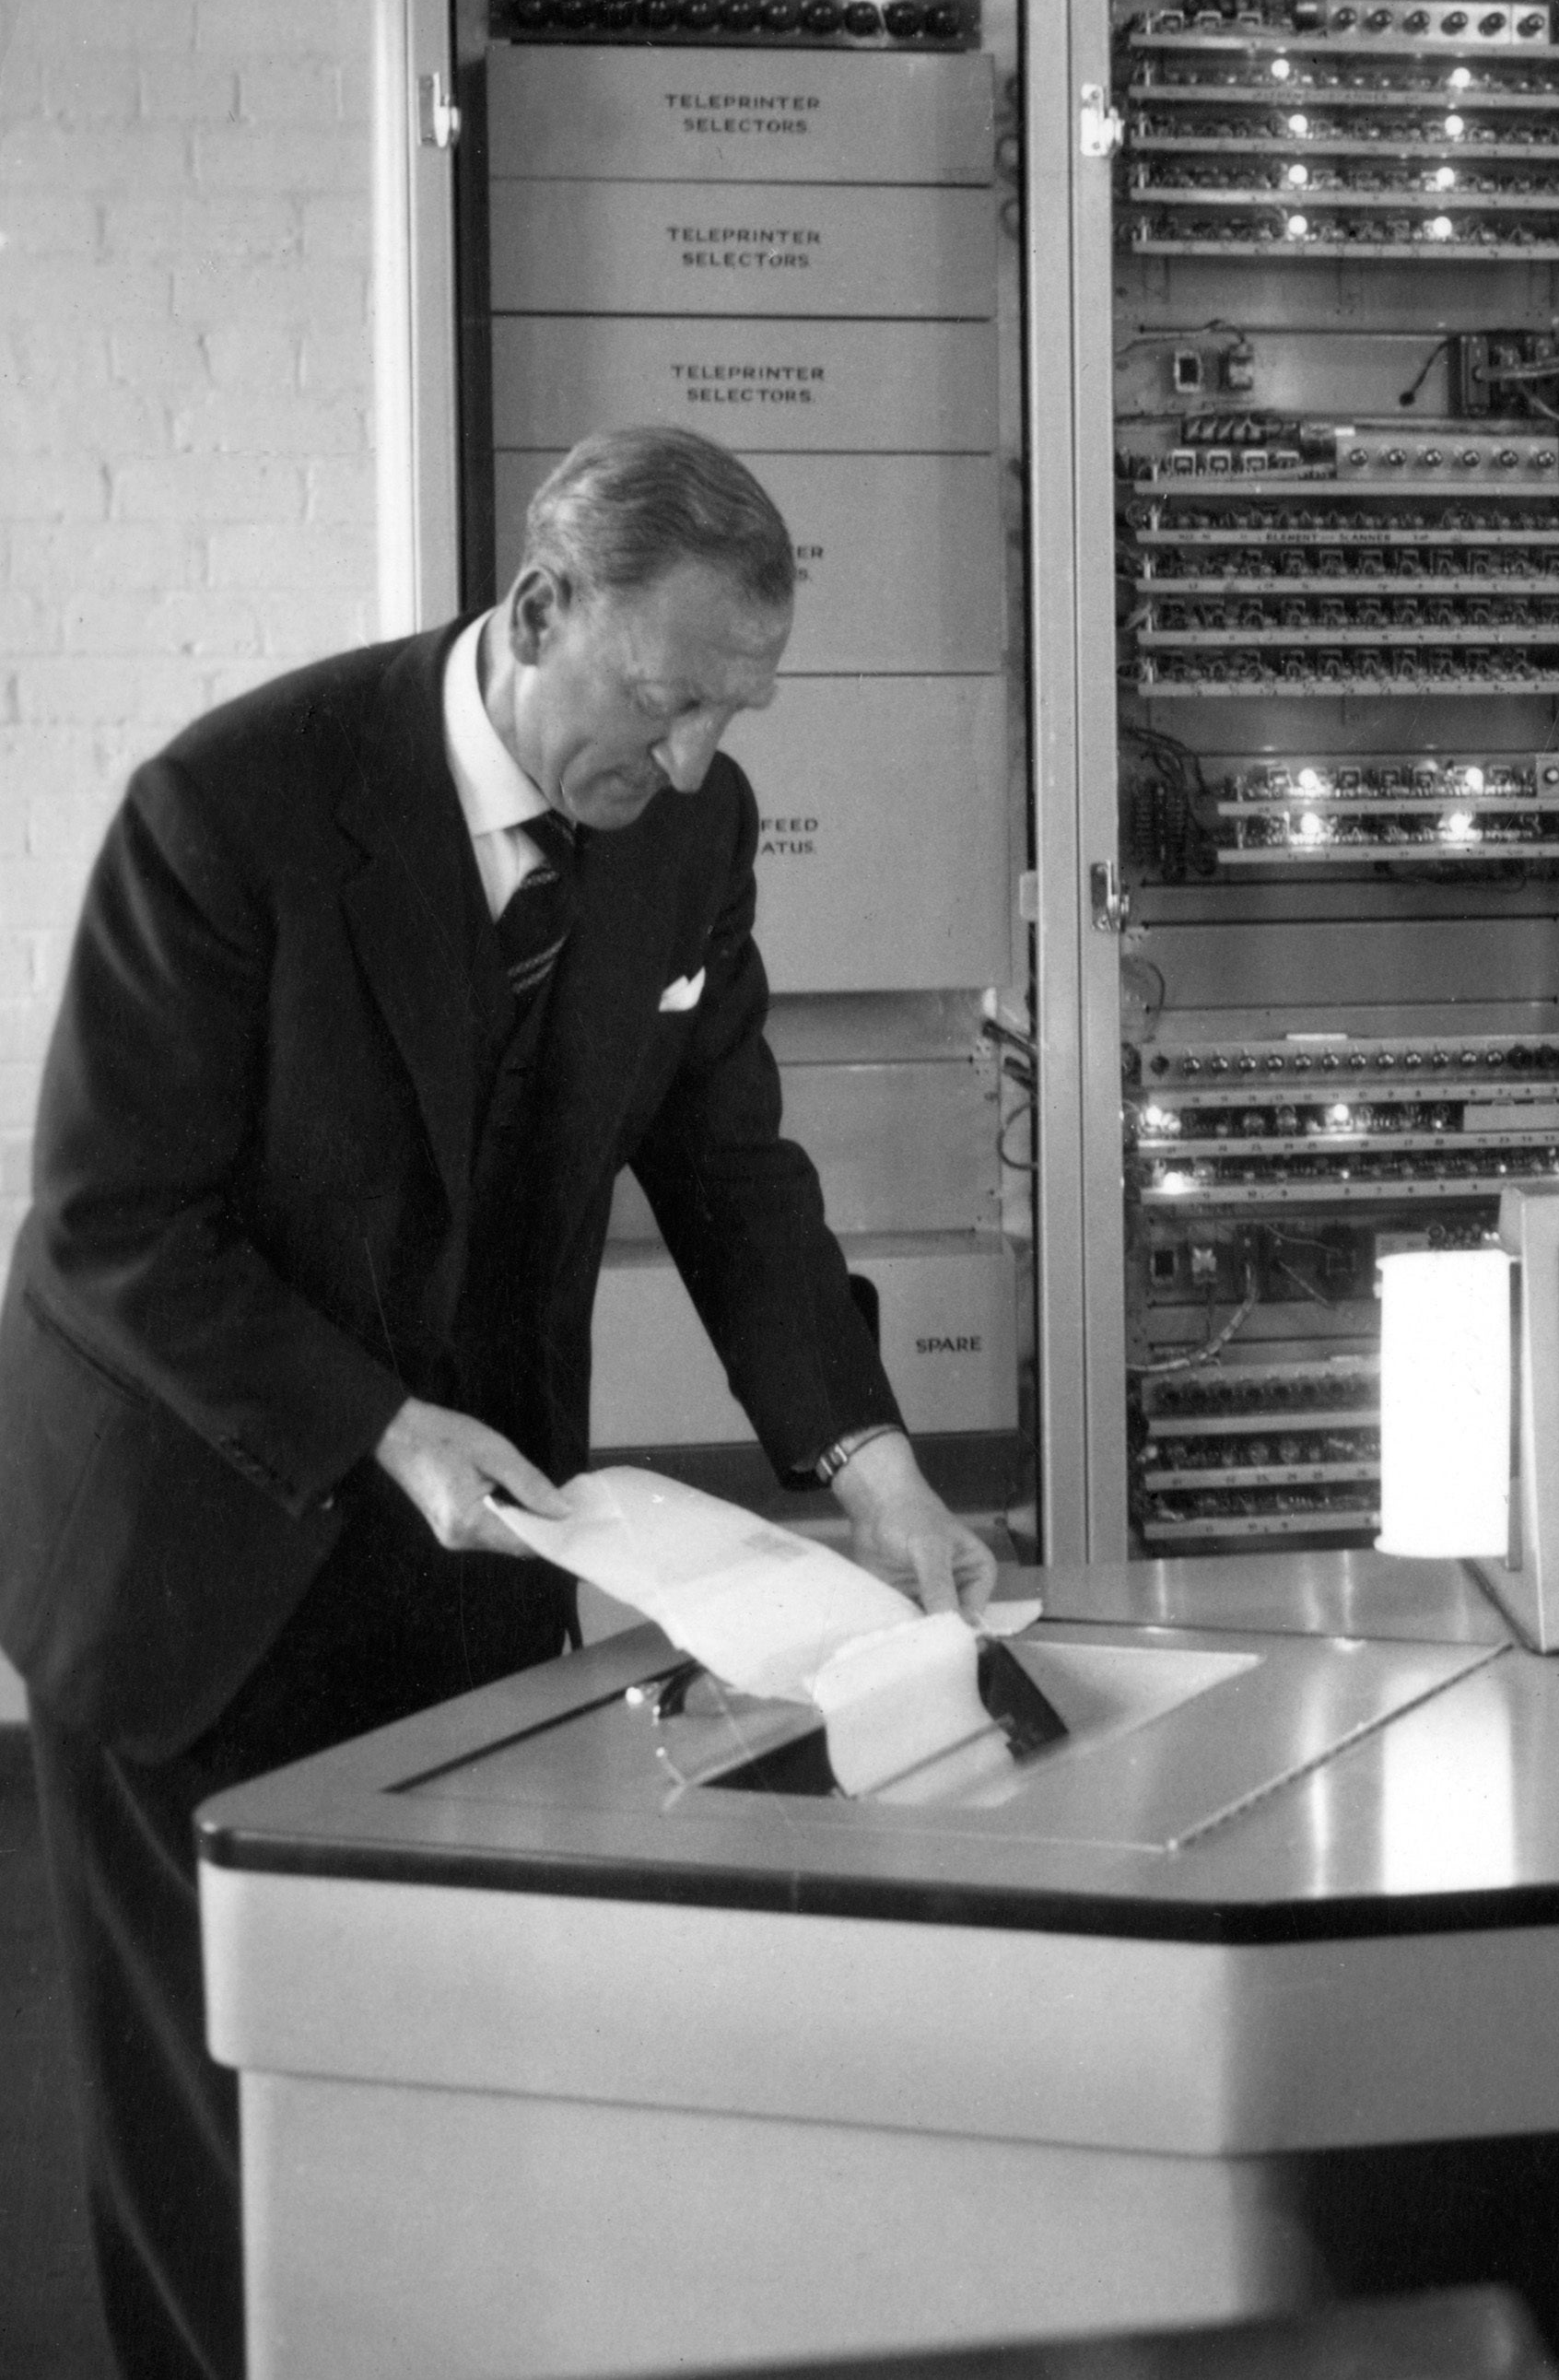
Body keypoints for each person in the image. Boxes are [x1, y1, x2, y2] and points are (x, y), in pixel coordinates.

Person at [0, 425, 999, 2380]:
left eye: (737, 707)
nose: (700, 757)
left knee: (445, 2102)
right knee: (224, 2147)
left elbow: (729, 1173)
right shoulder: (232, 806)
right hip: (189, 1559)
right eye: (667, 695)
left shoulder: (684, 834)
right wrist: (376, 1422)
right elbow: (105, 1227)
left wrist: (869, 1462)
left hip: (464, 1565)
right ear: (541, 610)